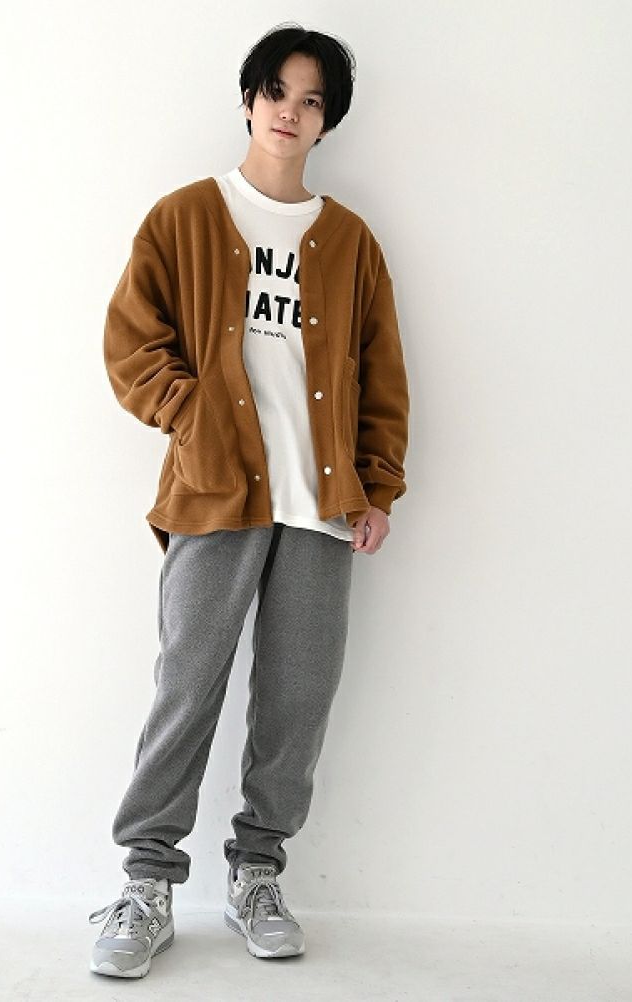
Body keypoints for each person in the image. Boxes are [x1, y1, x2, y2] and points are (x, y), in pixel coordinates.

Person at [89, 22, 410, 979]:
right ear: (248, 100)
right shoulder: (186, 217)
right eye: (277, 91)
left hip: (322, 504)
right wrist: (193, 415)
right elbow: (131, 344)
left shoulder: (351, 243)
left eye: (311, 101)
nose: (290, 112)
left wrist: (379, 484)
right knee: (187, 685)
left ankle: (258, 873)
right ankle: (146, 881)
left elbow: (382, 376)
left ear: (327, 122)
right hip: (214, 494)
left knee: (298, 697)